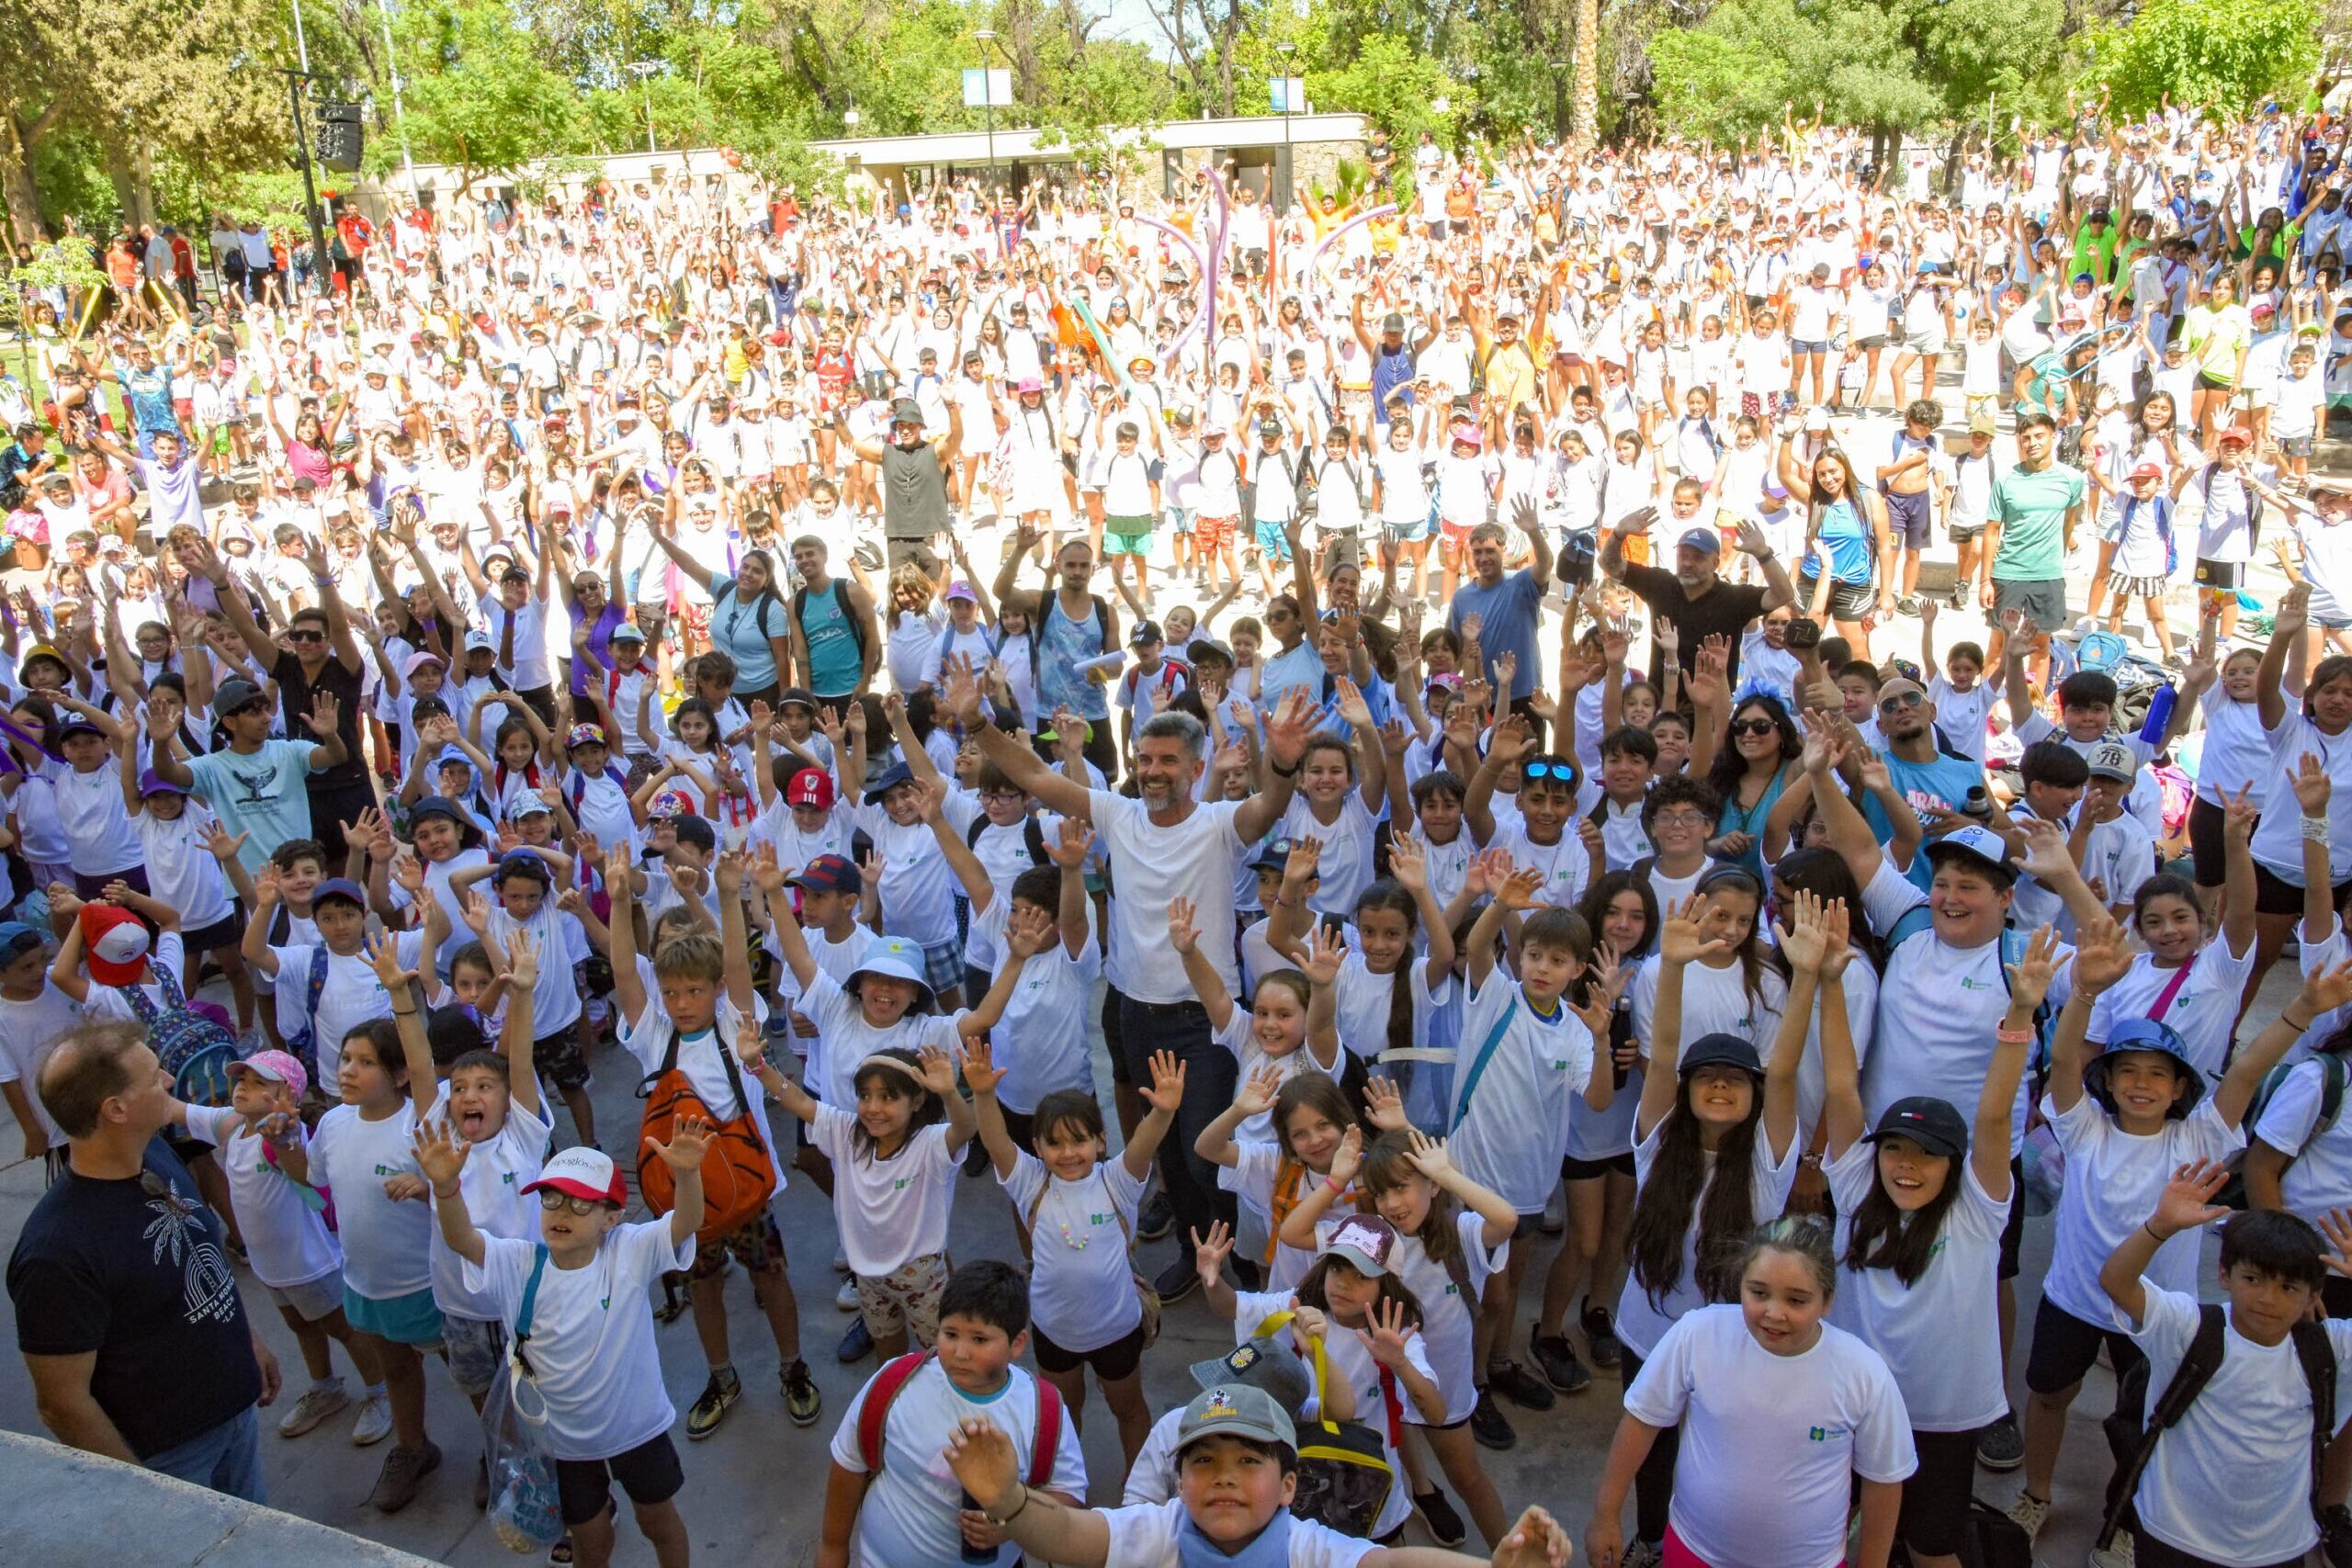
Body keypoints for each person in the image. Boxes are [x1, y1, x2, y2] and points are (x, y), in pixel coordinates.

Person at [943, 661, 1316, 1304]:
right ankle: (1193, 1252)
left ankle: (1246, 1260)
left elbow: (1268, 807)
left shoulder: (1220, 825)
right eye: (1144, 757)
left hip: (1206, 1019)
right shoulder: (1117, 814)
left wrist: (1281, 764)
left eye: (1167, 759)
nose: (1152, 770)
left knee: (1208, 1152)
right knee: (1165, 1147)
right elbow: (1033, 775)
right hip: (1133, 1011)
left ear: (1196, 769)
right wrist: (977, 719)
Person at [7, 1020, 283, 1498]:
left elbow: (200, 1253)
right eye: (155, 1075)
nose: (170, 1081)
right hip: (172, 1460)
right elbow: (61, 1403)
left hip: (237, 1420)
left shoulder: (152, 1150)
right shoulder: (57, 1252)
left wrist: (245, 1337)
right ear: (115, 1109)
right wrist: (148, 1495)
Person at [417, 1122, 707, 1568]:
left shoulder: (627, 1252)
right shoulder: (518, 1264)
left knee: (660, 1525)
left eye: (579, 1203)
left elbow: (685, 1222)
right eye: (551, 1198)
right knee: (591, 1542)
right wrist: (446, 1188)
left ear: (611, 1218)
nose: (561, 1212)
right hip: (563, 1446)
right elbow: (462, 1239)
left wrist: (687, 1175)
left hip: (637, 1432)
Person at [942, 1382, 1576, 1567]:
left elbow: (1390, 1566)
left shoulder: (1307, 1548)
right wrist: (1011, 1500)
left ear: (1290, 1486)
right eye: (1204, 1460)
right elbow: (1075, 1537)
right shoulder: (1159, 1531)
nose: (1224, 1477)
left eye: (1249, 1460)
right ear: (1179, 1479)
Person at [1585, 1217, 1917, 1568]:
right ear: (1739, 1284)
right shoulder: (1698, 1335)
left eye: (1797, 1300)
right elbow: (1641, 1422)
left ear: (1827, 1301)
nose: (1774, 1313)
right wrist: (1606, 1514)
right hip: (1693, 1552)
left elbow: (1884, 1482)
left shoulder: (1864, 1373)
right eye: (1758, 1293)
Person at [1600, 510, 1794, 689]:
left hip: (1712, 710)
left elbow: (1783, 594)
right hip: (1662, 706)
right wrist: (1618, 534)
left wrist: (1763, 555)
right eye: (1682, 555)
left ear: (1716, 563)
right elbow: (1608, 564)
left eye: (1698, 557)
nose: (1687, 563)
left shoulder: (1734, 598)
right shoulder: (1659, 584)